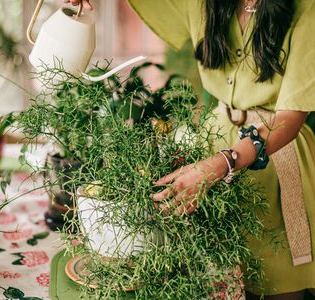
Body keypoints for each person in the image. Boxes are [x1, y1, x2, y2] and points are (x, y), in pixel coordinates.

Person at [64, 0, 315, 299]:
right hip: (211, 142)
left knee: (274, 282)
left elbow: (291, 117)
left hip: (275, 160)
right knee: (195, 275)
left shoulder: (306, 8)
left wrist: (220, 164)